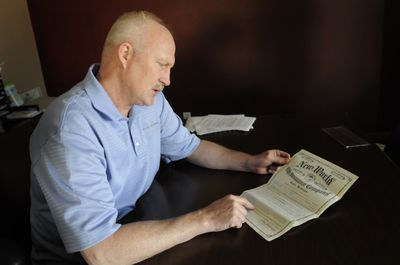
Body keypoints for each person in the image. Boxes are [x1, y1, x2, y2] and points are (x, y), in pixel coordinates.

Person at [29, 10, 291, 265]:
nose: (167, 79)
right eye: (162, 64)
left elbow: (191, 147)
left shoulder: (150, 102)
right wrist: (206, 219)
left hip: (138, 223)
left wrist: (249, 162)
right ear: (125, 54)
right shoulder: (70, 130)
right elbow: (102, 252)